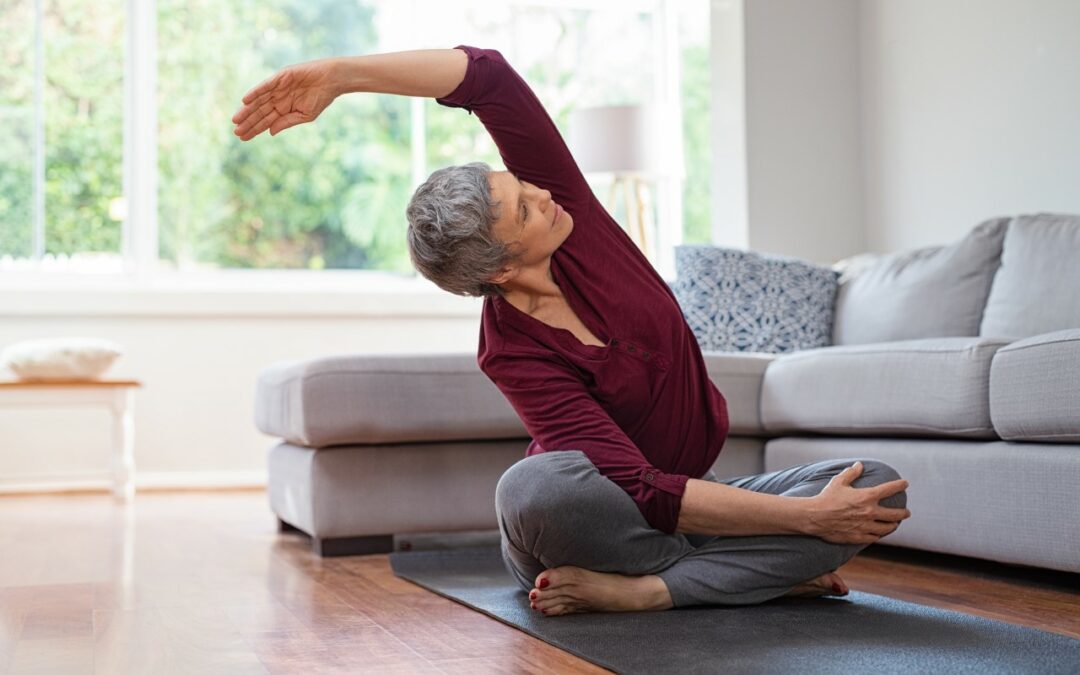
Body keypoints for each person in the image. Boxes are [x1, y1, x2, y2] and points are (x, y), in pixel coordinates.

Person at [232, 45, 911, 617]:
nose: (546, 195)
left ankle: (655, 588)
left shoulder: (574, 217)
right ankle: (740, 574)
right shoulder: (509, 350)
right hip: (598, 521)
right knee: (532, 489)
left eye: (528, 186)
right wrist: (806, 523)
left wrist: (342, 76)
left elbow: (487, 77)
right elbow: (640, 488)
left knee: (875, 484)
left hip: (678, 510)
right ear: (498, 267)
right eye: (525, 208)